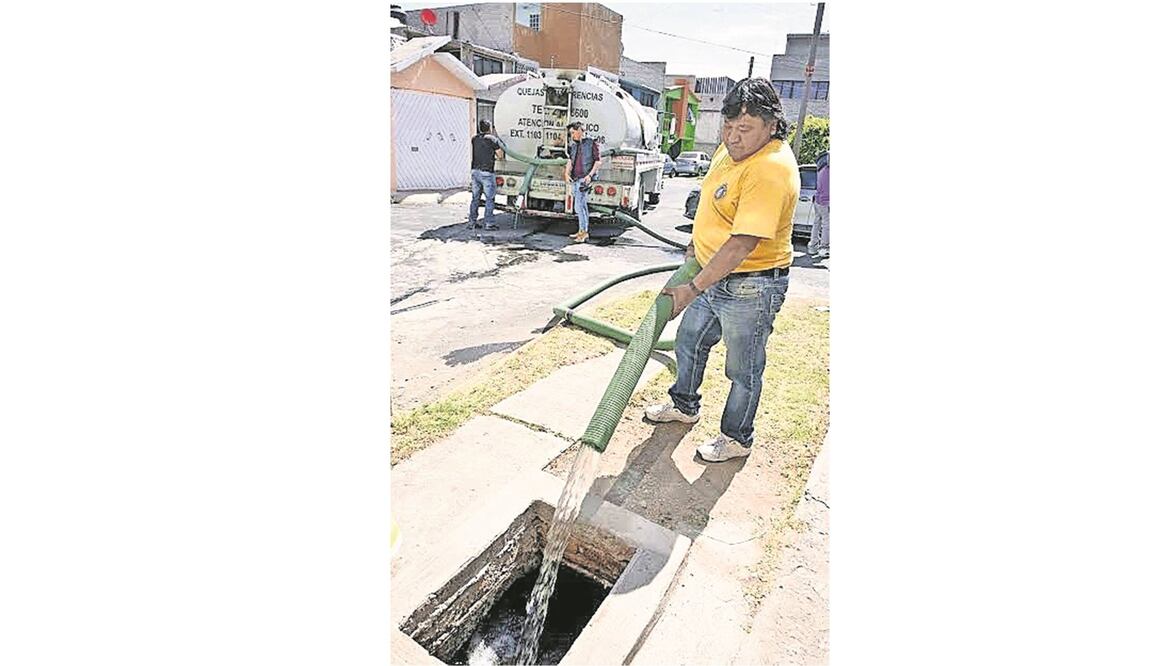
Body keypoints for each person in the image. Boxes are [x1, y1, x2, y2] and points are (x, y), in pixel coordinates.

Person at [645, 78, 799, 463]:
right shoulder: (729, 152)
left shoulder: (770, 168)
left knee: (742, 369)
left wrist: (691, 288)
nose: (733, 137)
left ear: (771, 125)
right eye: (728, 126)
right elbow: (710, 205)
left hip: (752, 286)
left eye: (744, 128)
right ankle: (684, 405)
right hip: (710, 273)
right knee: (689, 341)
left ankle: (736, 438)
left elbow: (743, 242)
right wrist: (694, 246)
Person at [564, 121, 601, 243]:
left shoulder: (591, 143)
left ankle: (583, 233)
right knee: (581, 206)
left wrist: (589, 176)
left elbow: (597, 161)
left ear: (580, 130)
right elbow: (570, 160)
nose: (572, 136)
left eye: (573, 133)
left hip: (584, 179)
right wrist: (566, 173)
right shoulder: (574, 145)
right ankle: (582, 231)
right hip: (575, 179)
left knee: (579, 207)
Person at [469, 120, 505, 230]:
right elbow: (500, 155)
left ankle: (472, 222)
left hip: (475, 171)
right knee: (489, 199)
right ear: (489, 128)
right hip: (487, 173)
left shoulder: (474, 139)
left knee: (475, 198)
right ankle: (489, 223)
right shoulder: (492, 139)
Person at [808, 150, 829, 258]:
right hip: (826, 200)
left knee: (817, 222)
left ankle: (812, 246)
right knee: (827, 224)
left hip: (818, 199)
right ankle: (824, 248)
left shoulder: (821, 167)